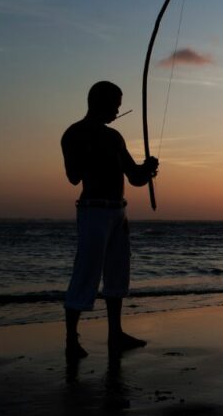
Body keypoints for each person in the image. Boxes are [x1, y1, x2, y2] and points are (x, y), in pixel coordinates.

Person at [61, 81, 158, 359]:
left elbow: (134, 177)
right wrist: (90, 149)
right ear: (99, 102)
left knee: (117, 273)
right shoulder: (75, 134)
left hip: (118, 212)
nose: (117, 108)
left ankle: (115, 334)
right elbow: (73, 177)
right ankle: (71, 339)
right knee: (86, 272)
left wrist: (147, 169)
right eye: (115, 102)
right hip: (93, 210)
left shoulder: (115, 138)